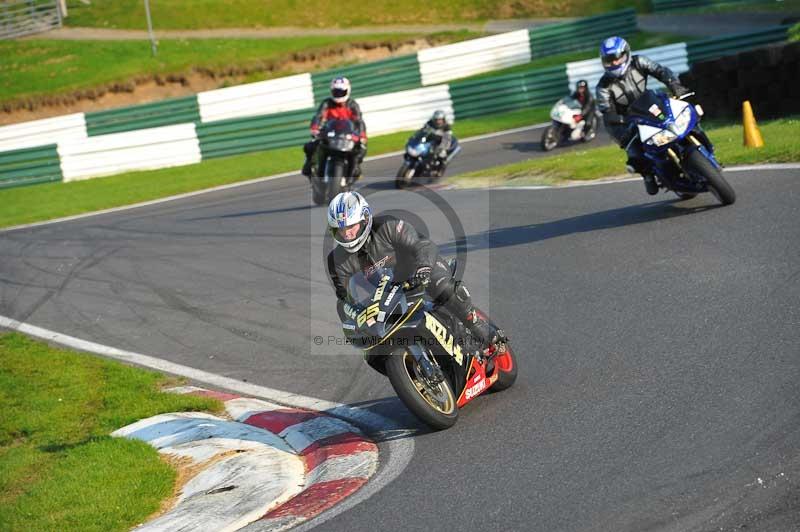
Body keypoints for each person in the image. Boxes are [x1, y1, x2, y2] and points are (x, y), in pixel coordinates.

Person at [325, 191, 504, 351]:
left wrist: (423, 267)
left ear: (365, 219)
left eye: (351, 226)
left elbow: (422, 245)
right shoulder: (336, 261)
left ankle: (477, 325)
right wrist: (355, 320)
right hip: (387, 294)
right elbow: (344, 298)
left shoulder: (388, 226)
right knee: (373, 339)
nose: (347, 234)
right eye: (341, 229)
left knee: (442, 286)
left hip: (419, 271)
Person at [595, 36, 690, 195]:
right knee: (635, 154)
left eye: (617, 59)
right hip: (629, 120)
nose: (614, 63)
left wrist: (675, 86)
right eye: (609, 60)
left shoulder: (639, 62)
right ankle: (648, 175)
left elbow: (661, 71)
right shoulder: (603, 87)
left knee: (682, 114)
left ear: (626, 54)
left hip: (651, 103)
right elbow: (607, 113)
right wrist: (622, 133)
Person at [302, 77, 367, 180]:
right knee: (310, 146)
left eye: (341, 92)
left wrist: (362, 135)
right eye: (336, 92)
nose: (338, 95)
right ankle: (309, 165)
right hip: (329, 134)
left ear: (347, 91)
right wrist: (315, 128)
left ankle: (355, 167)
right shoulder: (327, 103)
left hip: (346, 135)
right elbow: (318, 116)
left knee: (361, 148)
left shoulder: (352, 105)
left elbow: (358, 121)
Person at [414, 110, 460, 177]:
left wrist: (443, 149)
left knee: (442, 155)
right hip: (430, 140)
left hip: (441, 143)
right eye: (436, 120)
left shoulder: (447, 127)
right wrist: (417, 136)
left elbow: (447, 139)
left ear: (443, 119)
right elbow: (422, 130)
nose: (438, 121)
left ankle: (440, 170)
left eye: (440, 120)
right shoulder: (430, 123)